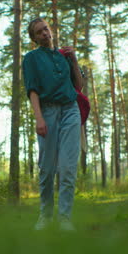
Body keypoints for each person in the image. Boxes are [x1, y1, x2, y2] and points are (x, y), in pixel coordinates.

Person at [22, 17, 83, 231]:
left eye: (46, 29)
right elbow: (32, 90)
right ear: (34, 38)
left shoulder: (63, 56)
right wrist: (39, 118)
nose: (45, 34)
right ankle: (46, 215)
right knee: (47, 168)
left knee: (68, 167)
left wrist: (74, 60)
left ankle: (65, 218)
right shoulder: (31, 58)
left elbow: (79, 86)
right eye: (39, 32)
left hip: (70, 110)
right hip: (47, 112)